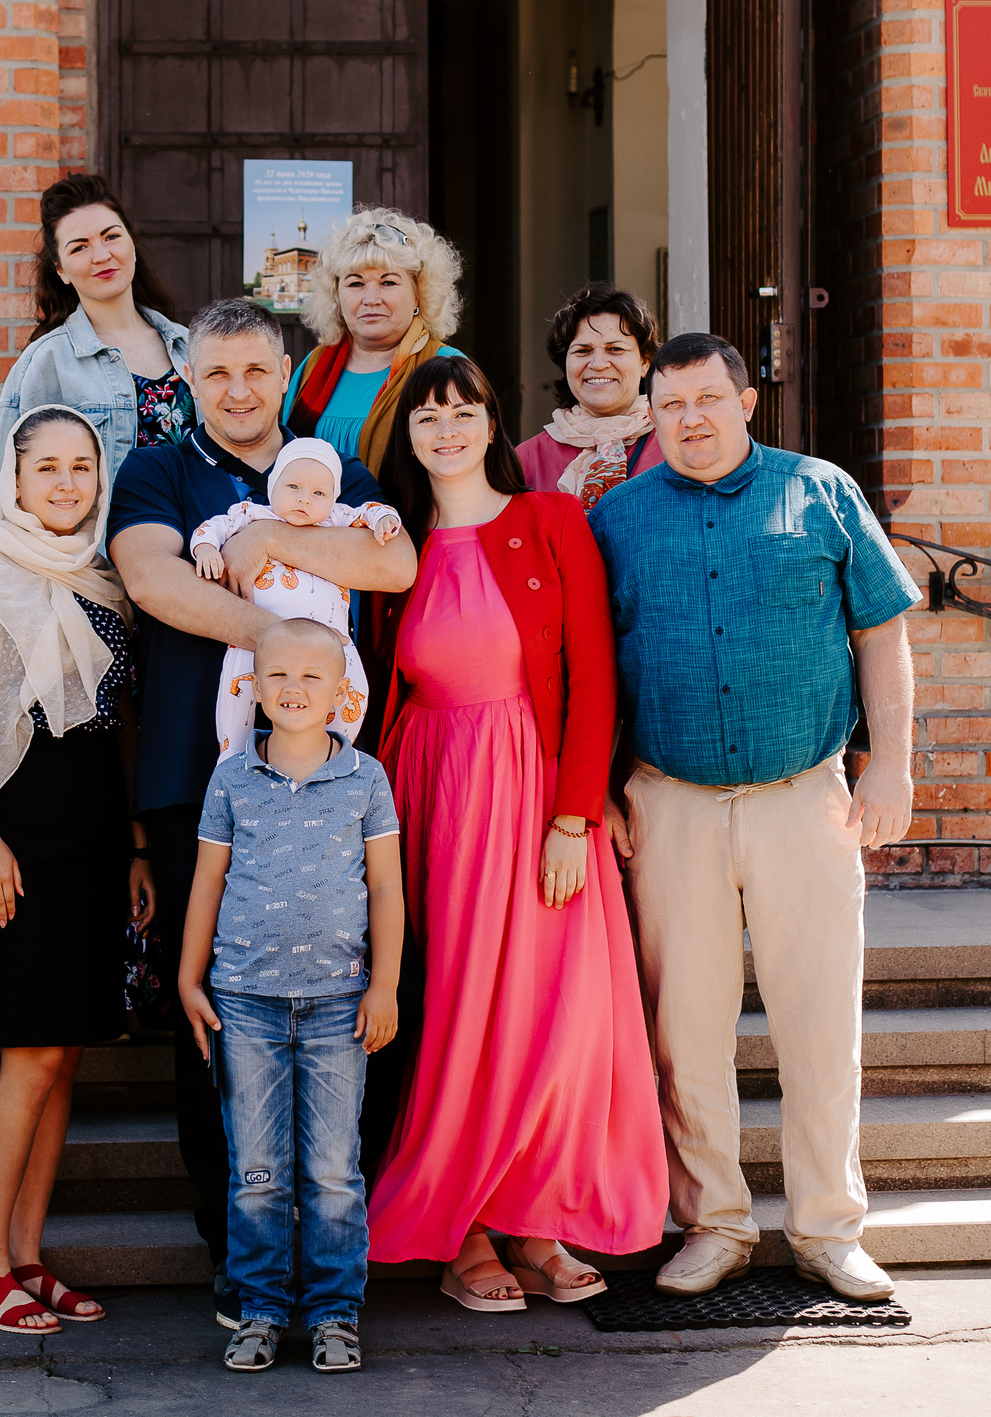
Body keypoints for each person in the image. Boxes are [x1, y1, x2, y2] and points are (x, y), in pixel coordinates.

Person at [588, 331, 921, 1304]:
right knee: (685, 1029)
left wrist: (890, 764)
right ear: (651, 418)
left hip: (800, 799)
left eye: (706, 399)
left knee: (819, 1024)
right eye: (669, 405)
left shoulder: (819, 491)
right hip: (668, 806)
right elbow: (594, 659)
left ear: (744, 402)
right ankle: (714, 1225)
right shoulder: (617, 519)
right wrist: (600, 786)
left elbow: (881, 627)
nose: (689, 418)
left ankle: (828, 1228)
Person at [107, 297, 418, 1322]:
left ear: (284, 370)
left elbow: (388, 561)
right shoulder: (157, 470)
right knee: (207, 1018)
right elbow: (153, 579)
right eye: (215, 375)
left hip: (327, 782)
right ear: (188, 381)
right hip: (194, 777)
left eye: (254, 371)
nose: (237, 393)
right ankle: (231, 1254)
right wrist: (290, 636)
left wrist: (264, 542)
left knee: (339, 1006)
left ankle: (323, 1252)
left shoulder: (331, 467)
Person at [362, 354, 666, 1311]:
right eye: (427, 415)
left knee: (554, 1015)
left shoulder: (550, 519)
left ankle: (538, 1218)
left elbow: (593, 676)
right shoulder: (392, 544)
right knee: (458, 1011)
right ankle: (470, 1231)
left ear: (493, 422)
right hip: (431, 796)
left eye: (463, 409)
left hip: (533, 786)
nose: (445, 428)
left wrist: (576, 811)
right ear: (407, 437)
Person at [0, 404, 157, 1337]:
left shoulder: (102, 572)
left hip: (92, 827)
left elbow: (118, 721)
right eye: (44, 466)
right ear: (13, 477)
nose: (64, 483)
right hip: (13, 828)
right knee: (29, 1050)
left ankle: (28, 1253)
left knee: (68, 1051)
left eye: (81, 466)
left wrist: (132, 841)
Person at [176, 617, 406, 1376]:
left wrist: (385, 984)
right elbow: (208, 879)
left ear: (343, 692)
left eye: (313, 676)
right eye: (278, 676)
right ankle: (262, 1307)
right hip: (245, 998)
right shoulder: (232, 776)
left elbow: (385, 887)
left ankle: (336, 1310)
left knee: (335, 1167)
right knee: (258, 1168)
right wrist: (188, 974)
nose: (294, 689)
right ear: (253, 688)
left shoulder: (366, 779)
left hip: (341, 998)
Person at [188, 437, 402, 758]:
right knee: (237, 689)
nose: (304, 499)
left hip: (331, 639)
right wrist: (204, 548)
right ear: (273, 486)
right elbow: (215, 526)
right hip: (257, 635)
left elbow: (370, 510)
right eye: (293, 487)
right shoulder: (254, 514)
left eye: (318, 493)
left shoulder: (337, 518)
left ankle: (334, 752)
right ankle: (230, 755)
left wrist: (385, 520)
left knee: (355, 687)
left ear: (333, 498)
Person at [0, 173, 194, 482]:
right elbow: (4, 481)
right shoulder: (46, 362)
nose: (102, 255)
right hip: (104, 530)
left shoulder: (189, 345)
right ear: (61, 270)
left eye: (111, 236)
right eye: (80, 247)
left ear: (132, 243)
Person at [283, 208, 466, 483]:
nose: (371, 298)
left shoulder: (446, 367)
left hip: (406, 525)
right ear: (337, 296)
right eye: (356, 283)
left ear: (419, 294)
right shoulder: (313, 366)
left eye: (388, 282)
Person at [513, 284, 667, 509]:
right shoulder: (527, 460)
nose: (598, 364)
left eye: (615, 349)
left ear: (645, 362)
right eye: (582, 351)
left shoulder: (672, 444)